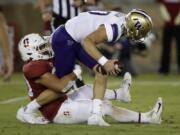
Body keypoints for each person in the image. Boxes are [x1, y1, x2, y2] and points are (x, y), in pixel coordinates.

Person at [16, 33, 163, 125]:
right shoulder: (33, 67)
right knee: (103, 106)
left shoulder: (40, 62)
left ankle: (120, 94)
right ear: (31, 53)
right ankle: (146, 118)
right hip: (57, 111)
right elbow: (61, 87)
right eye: (41, 48)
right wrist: (75, 73)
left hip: (61, 100)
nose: (46, 48)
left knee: (87, 89)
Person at [50, 9, 153, 125]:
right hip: (65, 39)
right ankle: (29, 110)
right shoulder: (116, 28)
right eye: (141, 32)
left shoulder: (123, 21)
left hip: (75, 39)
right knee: (62, 86)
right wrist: (105, 62)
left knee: (101, 71)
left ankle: (95, 115)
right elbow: (87, 41)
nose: (140, 35)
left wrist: (104, 63)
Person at [158, 0, 180, 75]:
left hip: (178, 25)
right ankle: (164, 70)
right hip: (168, 25)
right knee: (166, 48)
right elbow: (160, 3)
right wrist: (166, 17)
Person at [0, 6, 13, 81]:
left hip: (2, 29)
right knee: (6, 53)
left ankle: (8, 72)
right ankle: (4, 70)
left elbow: (2, 20)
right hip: (3, 28)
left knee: (6, 52)